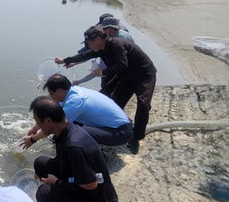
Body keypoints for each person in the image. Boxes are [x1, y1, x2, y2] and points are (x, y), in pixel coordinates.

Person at [29, 96, 118, 202]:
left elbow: (91, 185)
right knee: (41, 163)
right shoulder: (66, 130)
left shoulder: (73, 146)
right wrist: (32, 139)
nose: (37, 126)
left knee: (43, 194)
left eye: (38, 122)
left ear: (48, 121)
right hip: (82, 187)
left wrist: (56, 183)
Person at [55, 25, 156, 154]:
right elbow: (85, 55)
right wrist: (65, 60)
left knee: (143, 104)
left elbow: (122, 65)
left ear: (98, 39)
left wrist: (103, 73)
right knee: (114, 101)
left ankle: (135, 138)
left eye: (89, 42)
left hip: (144, 74)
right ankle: (112, 128)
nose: (88, 45)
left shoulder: (117, 44)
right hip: (128, 76)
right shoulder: (101, 48)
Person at [22, 73, 133, 147]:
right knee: (68, 123)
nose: (51, 97)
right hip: (118, 125)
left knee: (73, 132)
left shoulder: (75, 101)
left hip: (121, 132)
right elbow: (54, 112)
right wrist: (35, 127)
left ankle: (98, 157)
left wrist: (32, 140)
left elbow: (55, 125)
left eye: (51, 94)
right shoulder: (73, 91)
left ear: (60, 91)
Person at [72, 15, 134, 89]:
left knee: (108, 88)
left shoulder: (114, 44)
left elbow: (96, 71)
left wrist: (79, 81)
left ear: (110, 29)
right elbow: (90, 54)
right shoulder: (118, 33)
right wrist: (74, 62)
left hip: (124, 71)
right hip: (123, 67)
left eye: (102, 29)